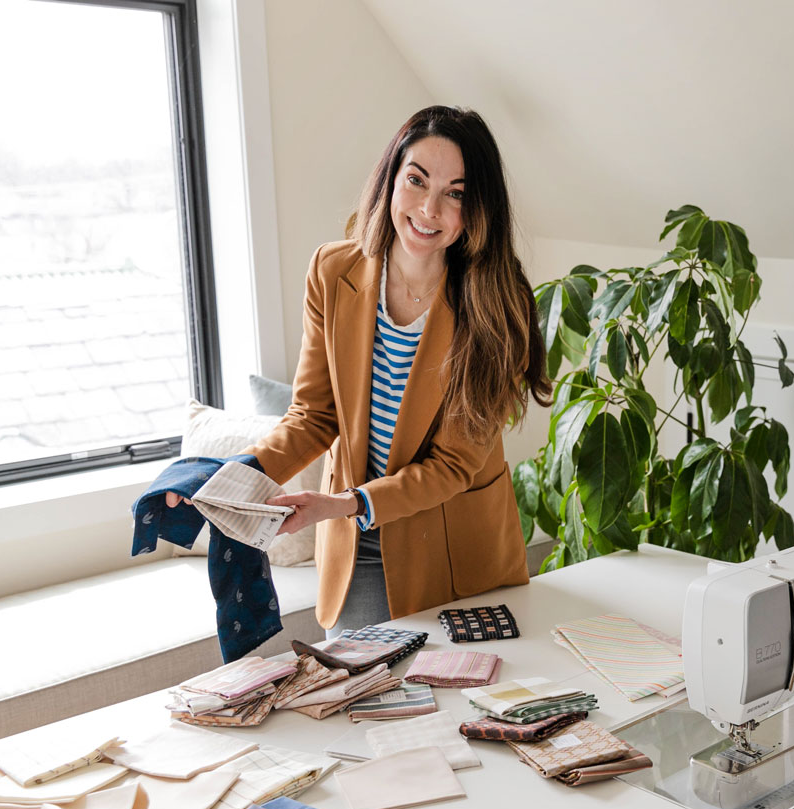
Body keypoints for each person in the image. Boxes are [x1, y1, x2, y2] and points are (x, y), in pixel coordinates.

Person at [173, 106, 551, 637]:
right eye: (416, 181)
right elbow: (313, 416)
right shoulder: (333, 271)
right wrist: (231, 478)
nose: (428, 208)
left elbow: (452, 465)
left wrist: (346, 502)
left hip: (456, 548)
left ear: (477, 207)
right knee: (364, 705)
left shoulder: (496, 303)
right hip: (353, 540)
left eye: (455, 193)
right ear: (390, 179)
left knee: (457, 712)